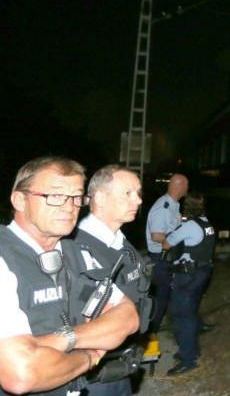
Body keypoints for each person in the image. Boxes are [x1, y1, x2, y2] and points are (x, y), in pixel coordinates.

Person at [0, 156, 139, 396]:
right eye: (54, 196)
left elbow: (127, 317)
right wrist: (88, 356)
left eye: (76, 197)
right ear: (19, 200)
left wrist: (66, 339)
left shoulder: (77, 256)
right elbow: (22, 374)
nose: (69, 206)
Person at [73, 165, 153, 396]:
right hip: (93, 376)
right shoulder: (76, 248)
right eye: (127, 193)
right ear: (99, 197)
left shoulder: (121, 243)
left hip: (123, 366)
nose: (137, 201)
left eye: (138, 193)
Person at [162, 192, 215, 376]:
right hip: (203, 273)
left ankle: (188, 359)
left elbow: (167, 244)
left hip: (188, 275)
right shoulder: (207, 223)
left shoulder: (190, 226)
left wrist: (172, 230)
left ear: (187, 207)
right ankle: (191, 348)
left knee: (181, 316)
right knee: (190, 311)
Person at [144, 173, 188, 334]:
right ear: (180, 186)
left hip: (168, 257)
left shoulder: (174, 205)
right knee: (161, 298)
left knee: (168, 295)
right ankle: (151, 333)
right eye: (186, 185)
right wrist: (178, 241)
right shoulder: (163, 207)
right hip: (160, 259)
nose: (187, 189)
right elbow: (156, 235)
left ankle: (164, 327)